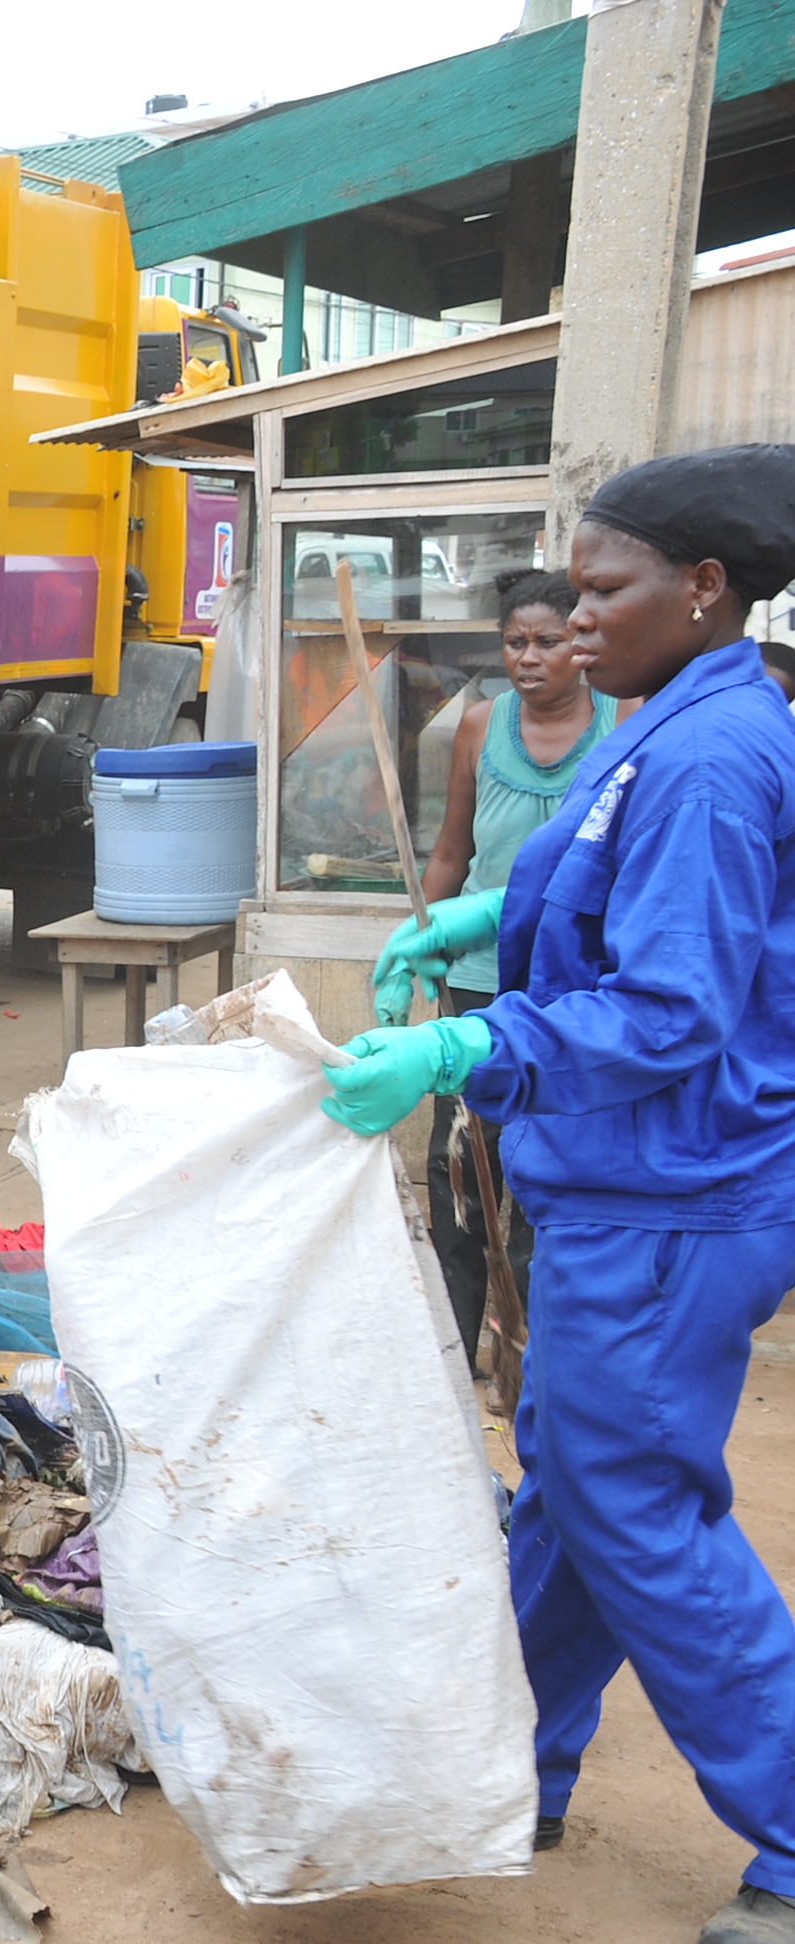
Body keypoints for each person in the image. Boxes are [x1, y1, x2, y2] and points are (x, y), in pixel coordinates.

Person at [333, 444, 795, 1944]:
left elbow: (672, 1010)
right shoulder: (671, 717)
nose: (574, 620)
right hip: (625, 1185)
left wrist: (470, 1042)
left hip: (675, 1194)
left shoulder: (719, 755)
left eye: (604, 591)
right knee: (579, 1495)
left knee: (632, 1504)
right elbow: (592, 886)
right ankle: (502, 1760)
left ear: (704, 587)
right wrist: (484, 914)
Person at [402, 570, 622, 1370]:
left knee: (545, 1165)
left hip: (567, 981)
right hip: (478, 978)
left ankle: (529, 1347)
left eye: (548, 642)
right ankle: (455, 1352)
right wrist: (421, 937)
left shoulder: (620, 725)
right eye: (515, 642)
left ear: (582, 644)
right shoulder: (479, 726)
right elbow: (455, 848)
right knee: (461, 1163)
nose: (529, 658)